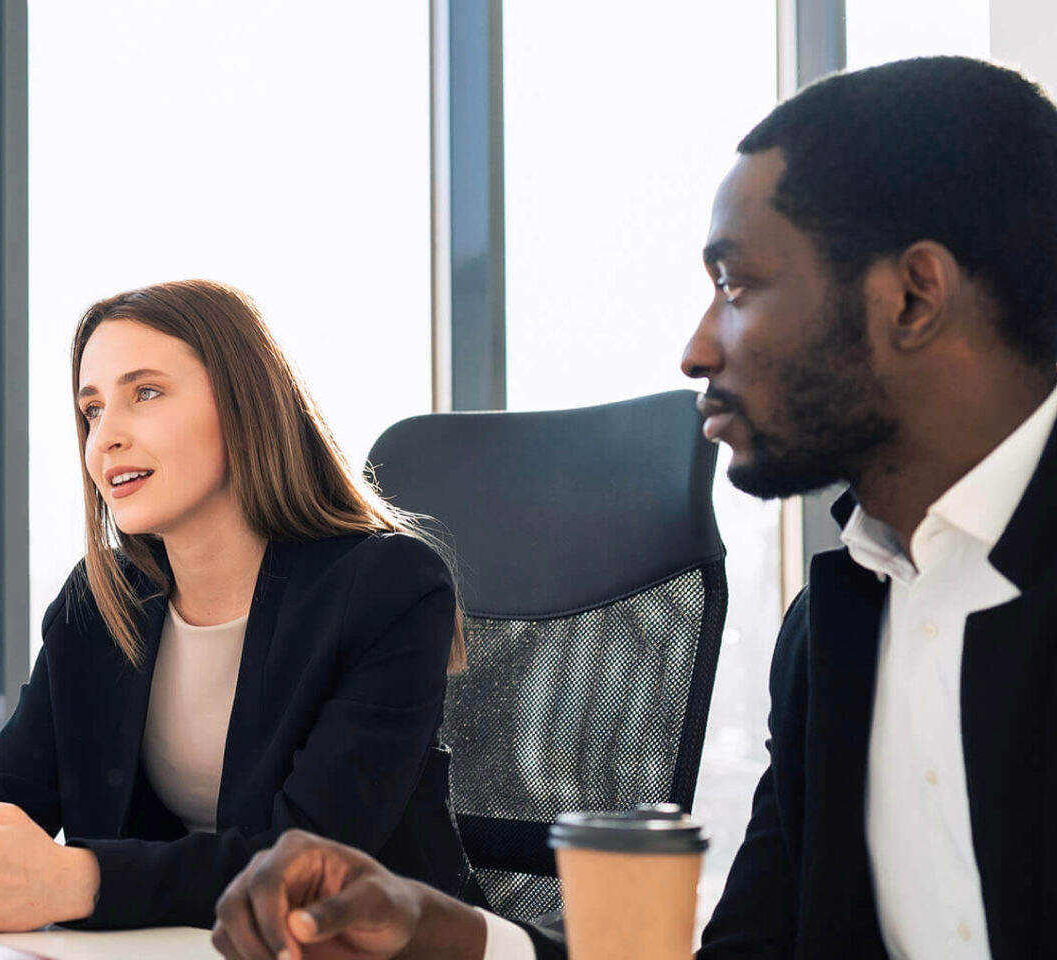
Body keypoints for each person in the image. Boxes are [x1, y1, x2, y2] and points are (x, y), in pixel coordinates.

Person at [210, 54, 1057, 960]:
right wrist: (449, 937)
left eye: (735, 285)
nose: (697, 350)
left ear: (912, 297)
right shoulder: (840, 629)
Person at [0, 279, 471, 933]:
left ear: (245, 404)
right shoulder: (102, 601)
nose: (104, 440)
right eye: (92, 410)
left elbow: (312, 865)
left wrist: (79, 880)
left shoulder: (389, 588)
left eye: (145, 393)